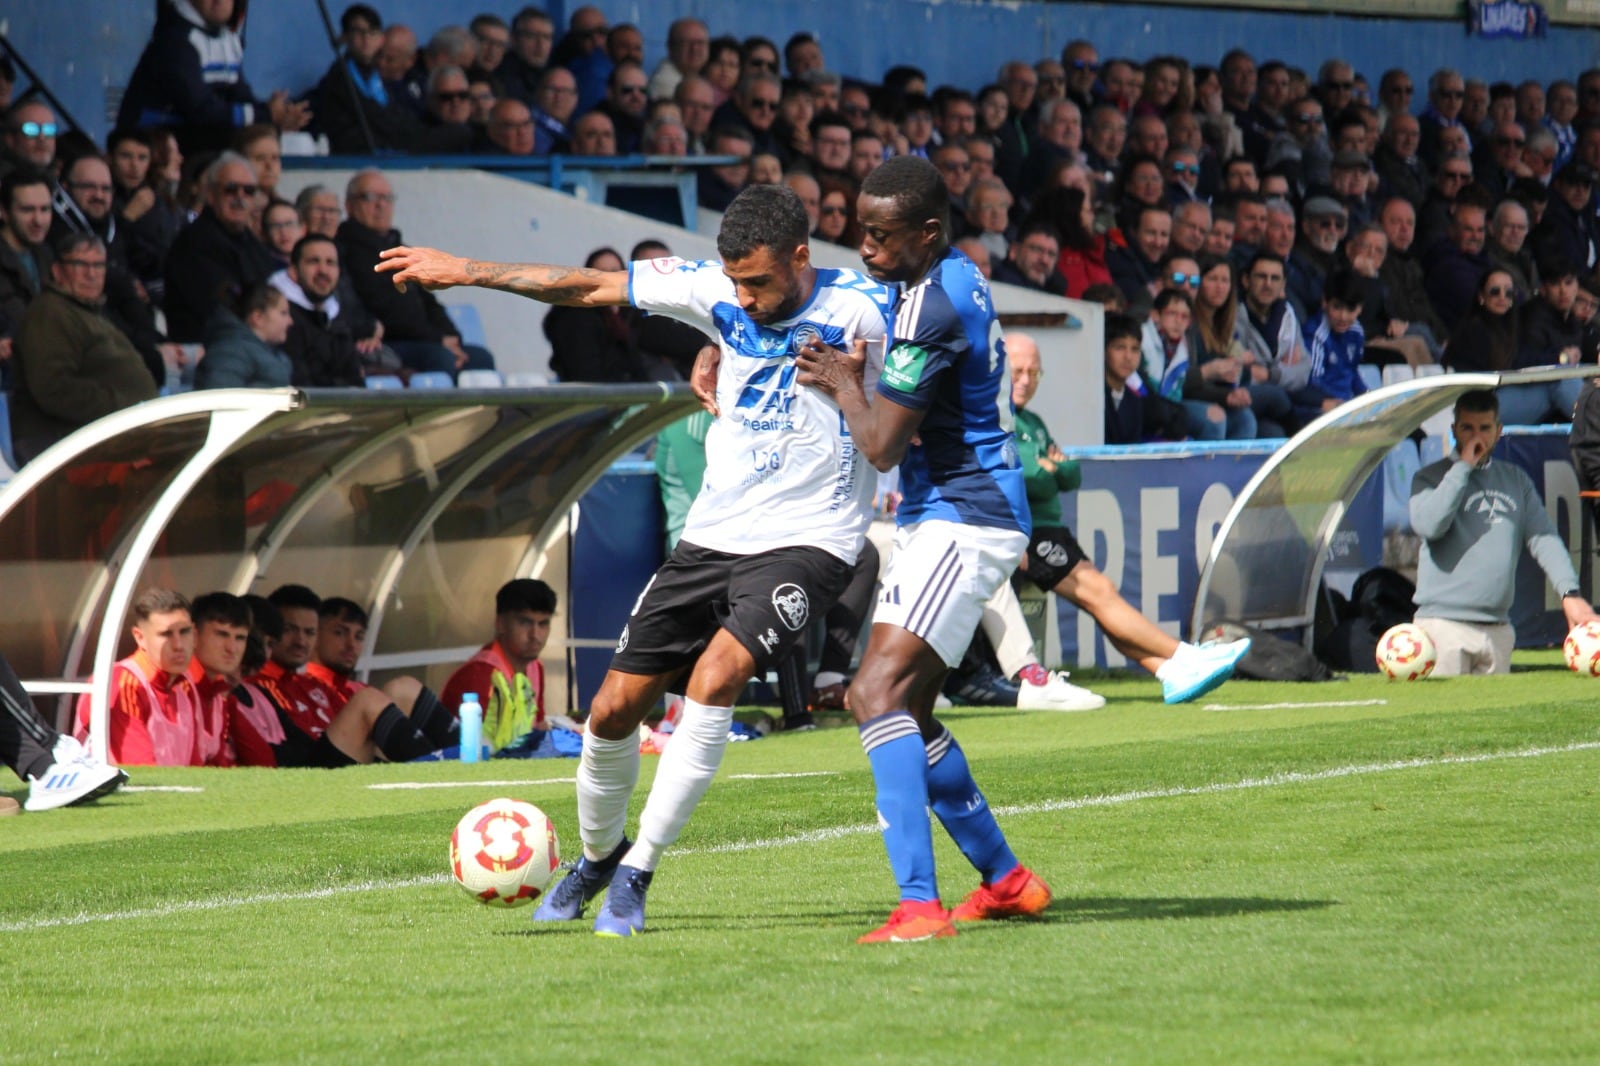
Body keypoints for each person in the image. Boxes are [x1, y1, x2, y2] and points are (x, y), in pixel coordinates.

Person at [377, 182, 890, 938]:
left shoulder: (868, 309)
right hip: (715, 532)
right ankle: (596, 857)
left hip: (813, 538)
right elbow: (586, 286)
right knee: (612, 710)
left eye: (760, 282)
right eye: (736, 282)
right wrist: (466, 269)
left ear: (802, 257)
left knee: (716, 678)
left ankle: (638, 871)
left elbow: (923, 388)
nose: (744, 298)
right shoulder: (714, 291)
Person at [794, 156, 1248, 943]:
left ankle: (918, 907)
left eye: (879, 235)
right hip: (965, 510)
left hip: (961, 518)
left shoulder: (928, 309)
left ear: (925, 233)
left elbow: (878, 445)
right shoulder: (957, 274)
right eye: (860, 231)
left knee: (873, 695)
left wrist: (840, 381)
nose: (863, 247)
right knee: (908, 706)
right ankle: (1005, 880)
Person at [1411, 390, 1596, 676]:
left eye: (1484, 428)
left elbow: (1544, 539)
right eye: (1467, 428)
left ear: (1499, 431)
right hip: (1442, 627)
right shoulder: (1429, 478)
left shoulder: (1515, 481)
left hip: (1498, 629)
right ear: (1453, 430)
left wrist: (1569, 593)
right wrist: (1462, 469)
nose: (1476, 437)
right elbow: (1430, 526)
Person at [245, 584, 455, 765]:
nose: (301, 641)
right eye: (289, 630)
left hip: (342, 759)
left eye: (309, 632)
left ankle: (474, 760)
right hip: (311, 777)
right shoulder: (254, 688)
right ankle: (443, 775)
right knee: (368, 700)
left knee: (403, 688)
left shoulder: (309, 684)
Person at [11, 234, 160, 465]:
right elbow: (54, 388)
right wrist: (122, 406)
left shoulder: (84, 311)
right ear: (58, 271)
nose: (91, 274)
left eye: (98, 265)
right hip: (72, 451)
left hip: (111, 442)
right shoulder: (51, 313)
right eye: (80, 265)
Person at [338, 169, 493, 378]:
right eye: (371, 197)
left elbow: (429, 300)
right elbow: (387, 310)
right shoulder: (349, 250)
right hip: (387, 342)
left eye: (387, 198)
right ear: (349, 205)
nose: (381, 205)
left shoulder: (401, 249)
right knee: (441, 359)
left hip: (425, 339)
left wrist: (451, 337)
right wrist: (439, 340)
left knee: (480, 358)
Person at [118, 0, 311, 152]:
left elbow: (239, 96)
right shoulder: (175, 39)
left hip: (197, 137)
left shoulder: (227, 38)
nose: (219, 1)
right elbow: (201, 110)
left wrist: (276, 116)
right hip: (153, 140)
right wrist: (264, 114)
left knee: (265, 140)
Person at [72, 588, 230, 767]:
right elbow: (141, 772)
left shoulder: (186, 684)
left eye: (184, 632)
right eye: (166, 634)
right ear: (139, 637)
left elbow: (196, 768)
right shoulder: (121, 684)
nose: (178, 645)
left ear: (194, 634)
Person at [163, 152, 277, 343]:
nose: (240, 197)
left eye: (248, 190)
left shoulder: (253, 244)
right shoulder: (194, 243)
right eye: (230, 189)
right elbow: (222, 309)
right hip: (211, 349)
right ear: (210, 195)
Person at [440, 579, 555, 752]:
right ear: (500, 624)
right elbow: (468, 748)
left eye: (543, 624)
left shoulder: (535, 667)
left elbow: (536, 725)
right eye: (525, 622)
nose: (535, 635)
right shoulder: (480, 674)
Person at [269, 233, 374, 386]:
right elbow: (301, 384)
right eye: (314, 261)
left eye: (330, 263)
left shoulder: (335, 314)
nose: (323, 270)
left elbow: (355, 379)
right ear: (293, 272)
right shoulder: (282, 318)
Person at [1294, 267, 1370, 422]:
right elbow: (1310, 384)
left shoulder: (1357, 332)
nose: (1343, 316)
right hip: (1317, 410)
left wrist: (1368, 398)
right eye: (1337, 307)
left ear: (1360, 308)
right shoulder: (1316, 335)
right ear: (1325, 302)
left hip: (1344, 407)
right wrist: (1337, 405)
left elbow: (1352, 372)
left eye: (1350, 309)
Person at [194, 281, 293, 388]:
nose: (290, 321)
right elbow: (219, 399)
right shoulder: (230, 352)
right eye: (283, 313)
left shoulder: (269, 353)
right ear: (258, 317)